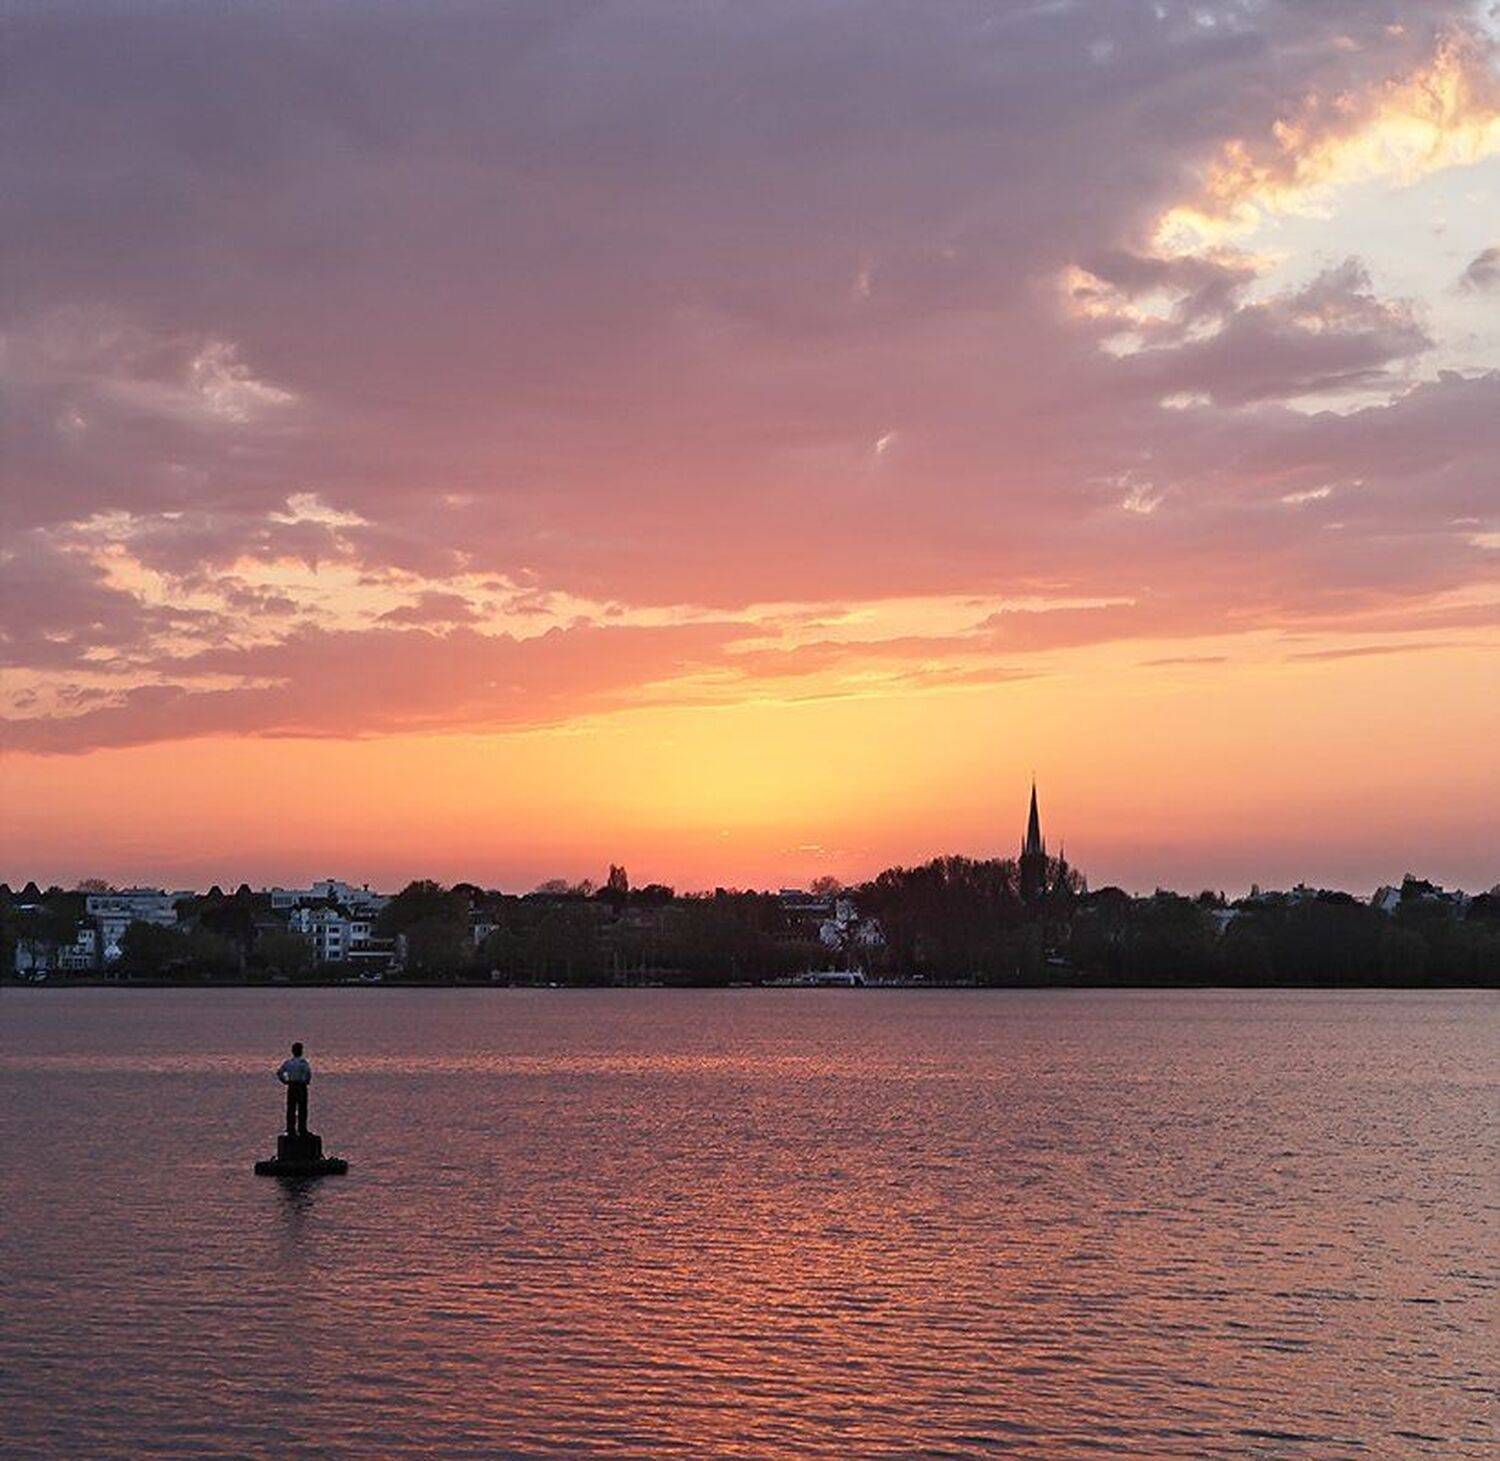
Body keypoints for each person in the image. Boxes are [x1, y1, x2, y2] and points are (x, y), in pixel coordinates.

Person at [277, 1041, 312, 1136]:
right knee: (302, 1108)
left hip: (291, 1086)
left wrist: (285, 1081)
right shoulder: (303, 1063)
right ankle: (302, 1129)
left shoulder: (288, 1063)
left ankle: (290, 1129)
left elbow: (279, 1072)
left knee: (291, 1108)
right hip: (301, 1086)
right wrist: (306, 1081)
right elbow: (308, 1074)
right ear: (301, 1051)